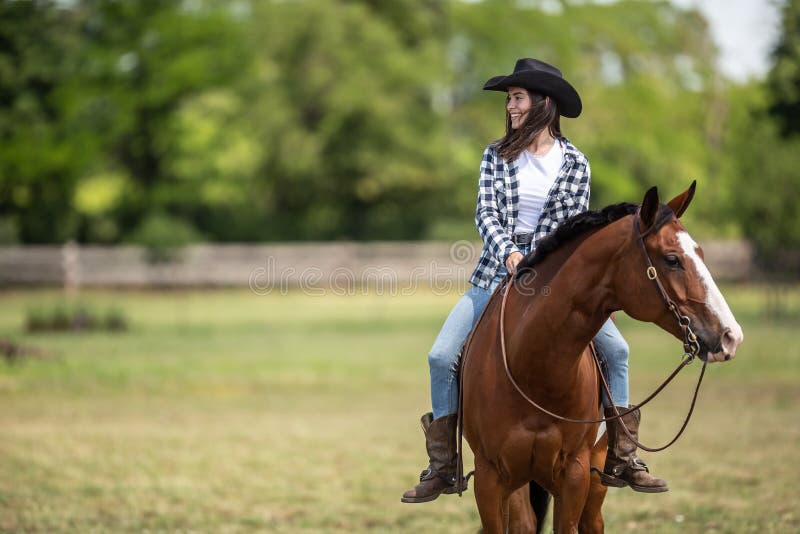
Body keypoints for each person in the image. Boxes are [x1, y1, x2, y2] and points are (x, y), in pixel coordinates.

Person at [401, 58, 668, 504]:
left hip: (559, 281)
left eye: (517, 98)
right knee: (440, 354)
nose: (510, 107)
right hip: (495, 273)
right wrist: (509, 252)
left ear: (544, 103)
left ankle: (623, 455)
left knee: (617, 350)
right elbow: (485, 213)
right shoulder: (494, 155)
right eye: (509, 99)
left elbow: (573, 226)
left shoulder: (575, 163)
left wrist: (539, 260)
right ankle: (443, 464)